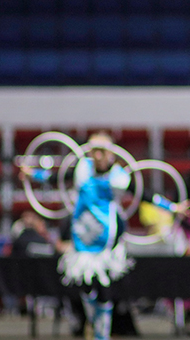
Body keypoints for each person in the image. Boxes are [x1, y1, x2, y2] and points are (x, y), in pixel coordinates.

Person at [48, 134, 132, 340]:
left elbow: (144, 194)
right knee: (86, 289)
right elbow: (56, 177)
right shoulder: (82, 170)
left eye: (103, 150)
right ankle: (93, 324)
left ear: (111, 154)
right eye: (94, 150)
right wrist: (32, 175)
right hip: (83, 241)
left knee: (104, 290)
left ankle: (101, 334)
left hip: (105, 243)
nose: (98, 155)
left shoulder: (118, 177)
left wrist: (172, 207)